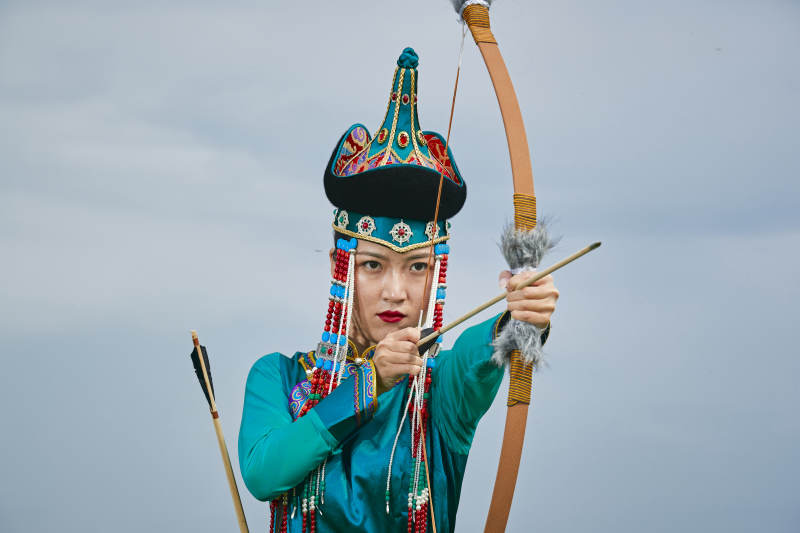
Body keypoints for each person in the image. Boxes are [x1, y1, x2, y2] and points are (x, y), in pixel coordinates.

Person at [238, 48, 558, 533]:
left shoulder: (441, 392)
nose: (395, 292)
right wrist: (369, 382)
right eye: (373, 265)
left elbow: (477, 356)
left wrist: (519, 318)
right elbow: (264, 473)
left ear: (436, 274)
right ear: (340, 267)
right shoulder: (278, 378)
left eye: (416, 268)